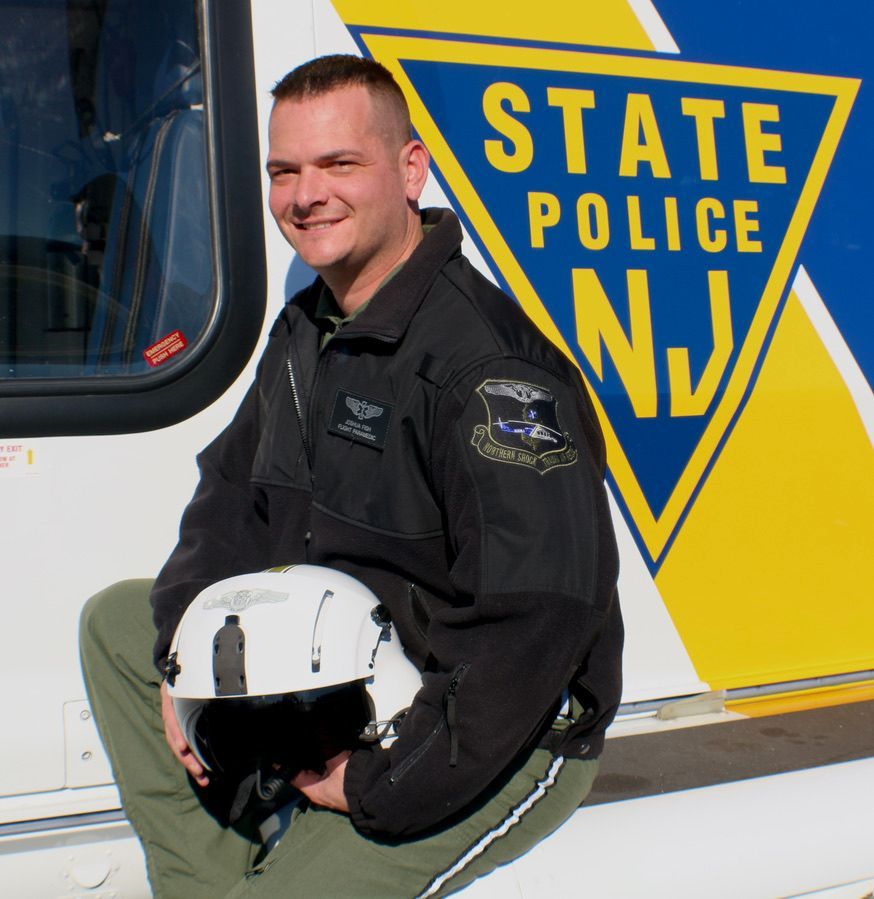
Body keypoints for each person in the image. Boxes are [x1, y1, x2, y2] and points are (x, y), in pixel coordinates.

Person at [79, 54, 623, 898]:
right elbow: (230, 499)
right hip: (348, 676)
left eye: (339, 165)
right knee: (118, 623)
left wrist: (381, 782)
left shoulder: (485, 370)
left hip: (493, 727)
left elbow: (534, 625)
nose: (305, 195)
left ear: (411, 171)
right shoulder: (309, 330)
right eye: (283, 171)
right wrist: (178, 662)